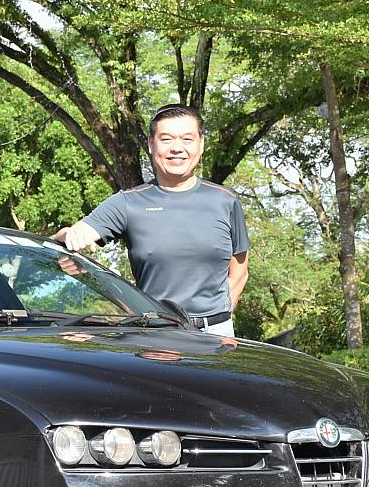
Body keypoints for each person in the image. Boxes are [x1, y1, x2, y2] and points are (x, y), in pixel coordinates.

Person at [55, 104, 249, 336]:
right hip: (157, 336)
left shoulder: (225, 201)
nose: (177, 148)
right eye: (166, 139)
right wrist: (67, 238)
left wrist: (221, 323)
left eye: (187, 139)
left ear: (201, 144)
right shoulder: (127, 203)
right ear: (151, 144)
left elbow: (239, 273)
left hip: (218, 338)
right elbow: (71, 235)